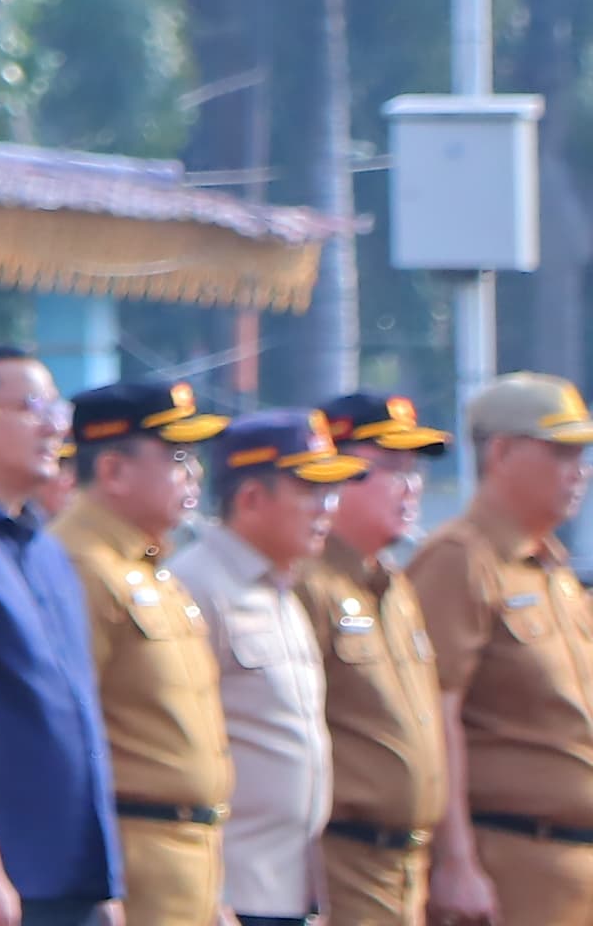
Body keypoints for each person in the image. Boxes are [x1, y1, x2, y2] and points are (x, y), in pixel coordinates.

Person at [0, 347, 121, 926]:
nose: (54, 426)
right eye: (31, 407)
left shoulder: (45, 547)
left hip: (77, 873)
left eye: (57, 408)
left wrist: (105, 884)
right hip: (7, 875)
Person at [408, 372, 593, 926]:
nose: (578, 471)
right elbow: (435, 718)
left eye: (581, 453)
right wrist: (455, 861)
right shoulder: (459, 560)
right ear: (502, 452)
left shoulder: (553, 573)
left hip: (571, 867)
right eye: (561, 452)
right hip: (508, 863)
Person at [56, 377, 234, 926]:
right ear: (111, 469)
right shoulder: (79, 568)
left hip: (186, 861)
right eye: (177, 456)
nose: (195, 475)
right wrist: (92, 883)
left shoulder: (150, 569)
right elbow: (66, 740)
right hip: (132, 860)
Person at [175, 413, 356, 926]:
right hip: (234, 892)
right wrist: (210, 897)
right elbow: (180, 748)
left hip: (289, 890)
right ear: (251, 498)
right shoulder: (197, 586)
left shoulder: (282, 594)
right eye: (311, 490)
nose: (328, 508)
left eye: (332, 490)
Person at [302, 391, 451, 926]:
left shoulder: (394, 585)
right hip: (343, 857)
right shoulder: (306, 584)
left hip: (408, 865)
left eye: (412, 470)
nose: (410, 487)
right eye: (390, 467)